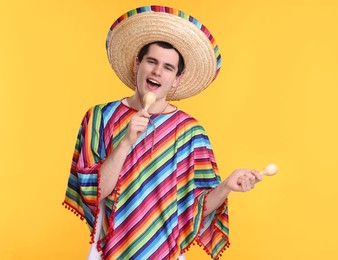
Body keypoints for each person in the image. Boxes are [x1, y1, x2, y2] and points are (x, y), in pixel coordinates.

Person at [63, 6, 262, 260]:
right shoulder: (99, 118)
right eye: (152, 61)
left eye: (169, 67)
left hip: (166, 254)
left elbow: (196, 210)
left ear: (177, 79)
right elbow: (93, 192)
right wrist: (125, 143)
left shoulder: (190, 133)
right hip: (107, 254)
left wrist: (226, 186)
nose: (157, 71)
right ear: (137, 64)